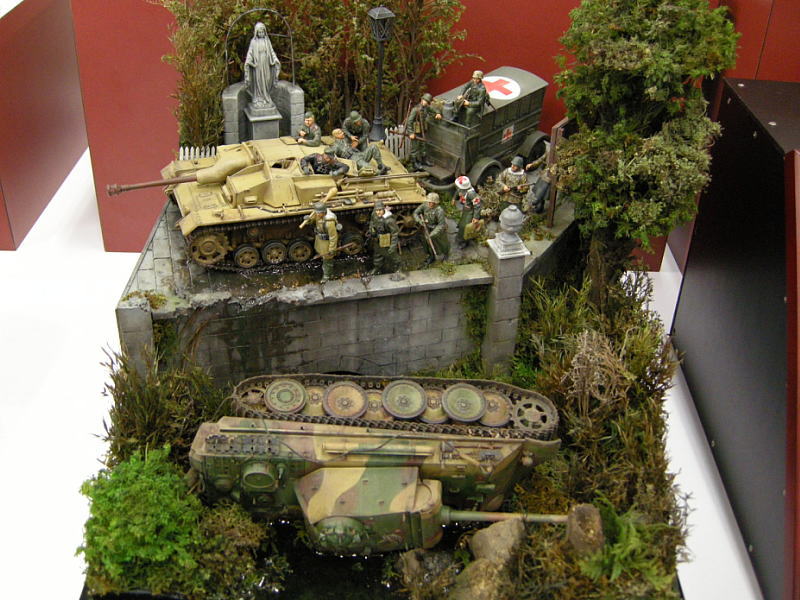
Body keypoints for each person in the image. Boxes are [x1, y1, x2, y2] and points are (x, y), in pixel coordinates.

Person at [300, 201, 339, 283]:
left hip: (327, 242)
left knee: (327, 259)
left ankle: (327, 275)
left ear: (323, 212)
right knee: (320, 252)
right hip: (320, 239)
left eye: (318, 213)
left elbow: (333, 237)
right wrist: (309, 220)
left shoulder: (329, 222)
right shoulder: (318, 216)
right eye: (316, 212)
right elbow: (314, 221)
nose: (317, 214)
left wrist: (332, 249)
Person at [244, 22, 280, 109]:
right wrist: (248, 61)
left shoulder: (267, 41)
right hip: (257, 65)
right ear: (256, 33)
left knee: (267, 79)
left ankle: (266, 96)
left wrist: (275, 59)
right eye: (259, 32)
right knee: (259, 81)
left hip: (266, 63)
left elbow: (271, 51)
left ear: (265, 32)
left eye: (262, 32)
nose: (261, 34)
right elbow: (250, 53)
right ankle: (259, 98)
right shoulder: (253, 42)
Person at [405, 92, 442, 170]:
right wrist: (411, 133)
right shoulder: (415, 109)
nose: (426, 103)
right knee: (415, 147)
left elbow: (434, 109)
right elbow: (409, 122)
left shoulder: (426, 108)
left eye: (427, 102)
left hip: (423, 131)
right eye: (425, 101)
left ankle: (424, 160)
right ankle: (414, 163)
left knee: (423, 146)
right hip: (416, 131)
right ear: (422, 100)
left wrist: (438, 113)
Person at [413, 192, 449, 266]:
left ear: (436, 203)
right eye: (429, 202)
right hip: (427, 227)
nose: (430, 204)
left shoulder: (439, 211)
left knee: (442, 243)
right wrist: (419, 221)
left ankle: (445, 254)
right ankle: (431, 256)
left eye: (433, 203)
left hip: (437, 229)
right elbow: (415, 213)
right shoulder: (424, 205)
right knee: (427, 243)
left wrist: (432, 234)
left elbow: (441, 225)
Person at [367, 200, 400, 275]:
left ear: (383, 209)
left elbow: (395, 233)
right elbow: (372, 222)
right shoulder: (374, 214)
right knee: (377, 254)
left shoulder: (389, 220)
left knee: (392, 254)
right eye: (377, 210)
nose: (378, 212)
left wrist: (393, 246)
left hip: (387, 239)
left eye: (380, 210)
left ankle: (399, 267)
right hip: (377, 238)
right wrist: (371, 229)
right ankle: (377, 267)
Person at [453, 175, 482, 249]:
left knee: (465, 226)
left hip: (470, 211)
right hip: (465, 209)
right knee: (462, 223)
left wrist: (476, 217)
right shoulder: (461, 190)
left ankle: (464, 241)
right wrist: (454, 198)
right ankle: (460, 234)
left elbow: (477, 205)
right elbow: (458, 192)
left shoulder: (471, 194)